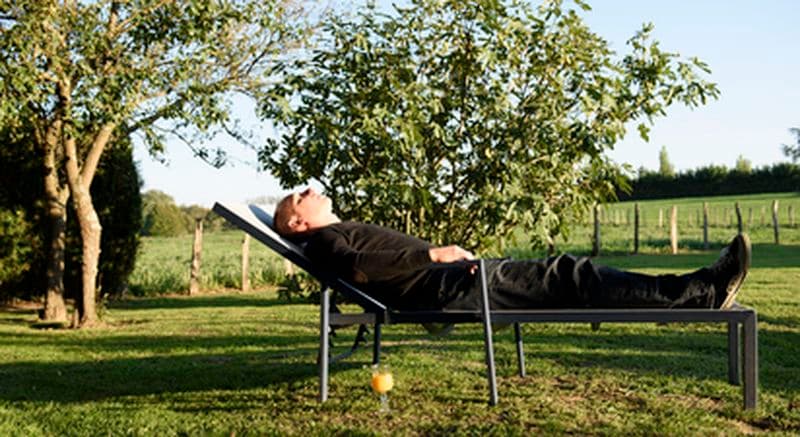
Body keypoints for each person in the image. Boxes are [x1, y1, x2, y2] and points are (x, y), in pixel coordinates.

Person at [273, 187, 751, 312]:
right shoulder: (326, 241)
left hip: (455, 280)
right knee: (570, 276)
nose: (311, 191)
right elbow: (354, 269)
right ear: (297, 222)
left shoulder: (332, 232)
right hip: (448, 287)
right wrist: (432, 255)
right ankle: (700, 291)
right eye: (300, 195)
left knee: (570, 276)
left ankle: (696, 290)